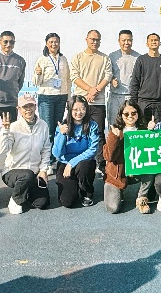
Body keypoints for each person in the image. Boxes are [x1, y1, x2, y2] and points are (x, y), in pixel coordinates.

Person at [0, 94, 51, 214]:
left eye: (31, 105)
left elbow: (46, 149)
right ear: (19, 109)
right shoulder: (13, 127)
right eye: (25, 107)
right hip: (13, 172)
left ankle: (26, 191)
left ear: (35, 107)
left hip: (34, 173)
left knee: (42, 203)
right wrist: (5, 130)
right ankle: (16, 199)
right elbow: (1, 150)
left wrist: (43, 170)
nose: (28, 109)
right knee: (27, 175)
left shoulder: (43, 125)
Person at [70, 29, 112, 175]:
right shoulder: (78, 57)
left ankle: (100, 163)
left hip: (98, 102)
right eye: (92, 39)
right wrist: (89, 90)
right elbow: (74, 77)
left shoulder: (105, 58)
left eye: (97, 39)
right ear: (86, 39)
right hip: (81, 102)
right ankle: (76, 161)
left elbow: (108, 76)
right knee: (79, 132)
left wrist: (96, 90)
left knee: (99, 133)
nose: (95, 42)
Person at [32, 32, 71, 174]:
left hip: (61, 96)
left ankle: (54, 159)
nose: (54, 44)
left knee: (57, 129)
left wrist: (69, 98)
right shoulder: (42, 59)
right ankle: (46, 162)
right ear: (46, 44)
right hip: (46, 97)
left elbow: (67, 80)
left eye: (56, 42)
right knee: (47, 130)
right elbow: (36, 82)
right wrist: (38, 74)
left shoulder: (63, 59)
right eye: (51, 42)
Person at [52, 95, 99, 208]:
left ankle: (86, 192)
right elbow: (57, 153)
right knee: (67, 201)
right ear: (70, 110)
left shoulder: (92, 125)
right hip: (65, 163)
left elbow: (92, 150)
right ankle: (75, 185)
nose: (79, 112)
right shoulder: (62, 126)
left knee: (84, 166)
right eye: (75, 109)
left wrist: (72, 163)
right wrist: (62, 135)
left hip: (83, 163)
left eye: (82, 109)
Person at [103, 100, 149, 214]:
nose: (130, 116)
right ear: (121, 115)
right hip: (117, 175)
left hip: (137, 171)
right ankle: (117, 190)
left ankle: (141, 197)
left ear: (138, 114)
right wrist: (114, 137)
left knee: (151, 168)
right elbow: (108, 157)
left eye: (133, 113)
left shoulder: (143, 130)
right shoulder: (116, 130)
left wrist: (151, 132)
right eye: (126, 114)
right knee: (113, 208)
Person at [130, 33, 161, 125]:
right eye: (151, 40)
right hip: (143, 102)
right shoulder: (141, 60)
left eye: (156, 40)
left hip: (160, 102)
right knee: (142, 129)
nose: (154, 42)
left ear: (160, 43)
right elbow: (135, 82)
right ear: (147, 44)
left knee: (160, 130)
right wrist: (134, 103)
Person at [107, 30, 141, 130]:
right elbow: (107, 74)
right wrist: (111, 80)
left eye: (129, 40)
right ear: (119, 41)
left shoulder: (138, 57)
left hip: (131, 96)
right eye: (123, 40)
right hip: (115, 96)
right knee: (114, 125)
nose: (126, 43)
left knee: (131, 125)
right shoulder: (112, 56)